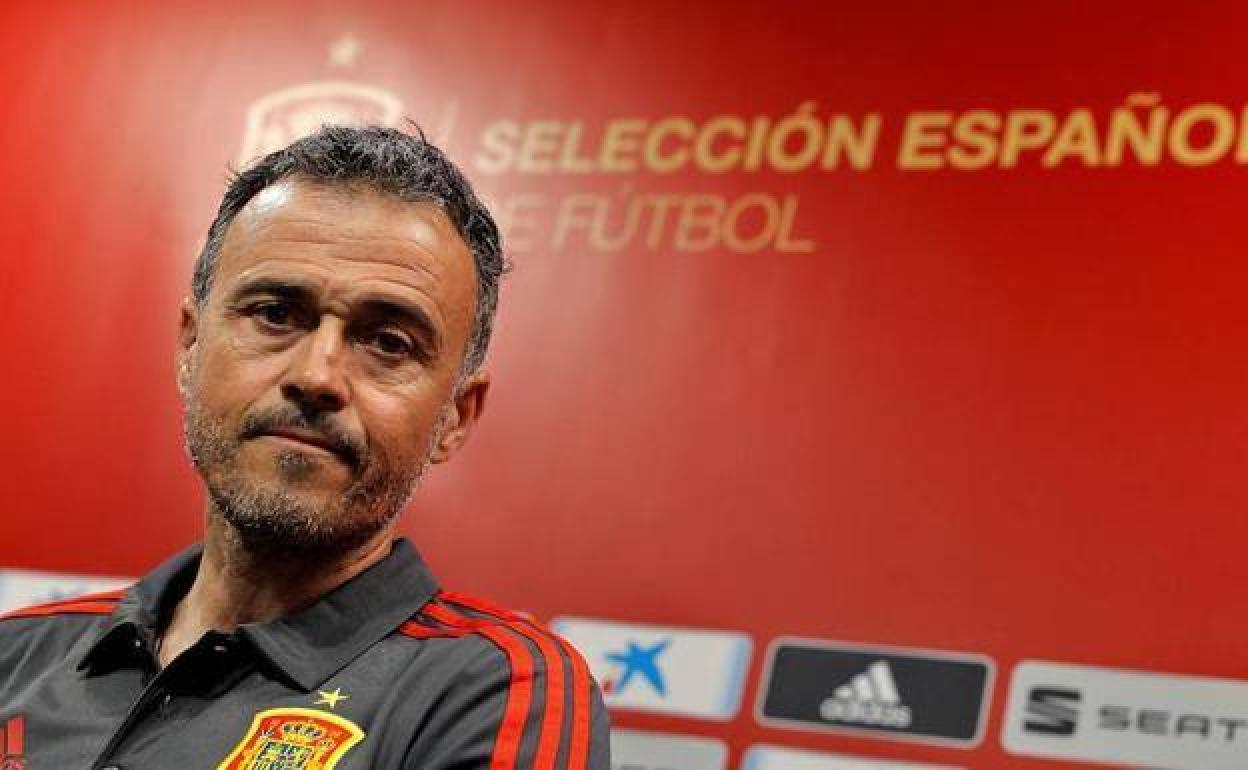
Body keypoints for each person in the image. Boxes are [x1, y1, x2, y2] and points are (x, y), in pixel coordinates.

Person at [0, 125, 610, 770]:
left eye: (389, 342)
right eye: (275, 314)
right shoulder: (17, 652)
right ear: (190, 347)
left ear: (456, 417)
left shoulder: (494, 690)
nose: (317, 376)